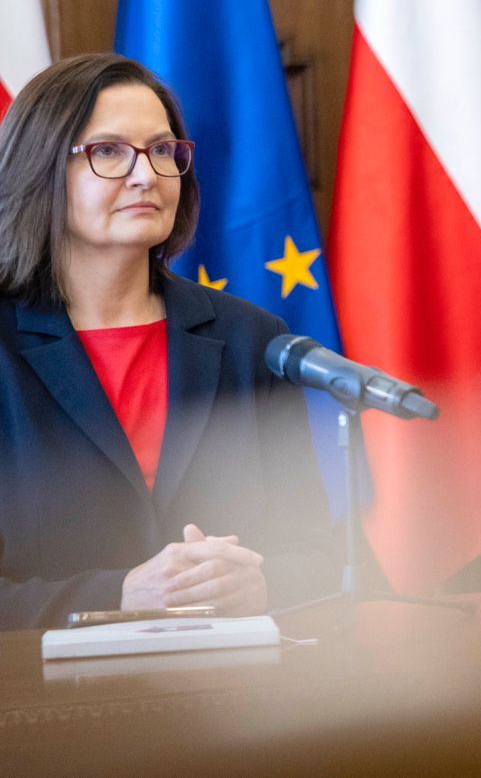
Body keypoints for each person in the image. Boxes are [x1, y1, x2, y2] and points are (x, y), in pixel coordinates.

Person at [0, 53, 336, 630]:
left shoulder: (252, 339)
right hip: (47, 684)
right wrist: (118, 596)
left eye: (162, 150)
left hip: (231, 679)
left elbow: (316, 556)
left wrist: (262, 585)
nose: (146, 175)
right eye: (108, 151)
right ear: (40, 168)